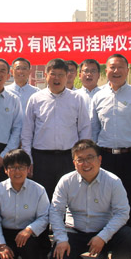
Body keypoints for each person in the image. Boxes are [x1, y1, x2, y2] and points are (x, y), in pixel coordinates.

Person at [50, 140, 131, 259]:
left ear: (99, 159)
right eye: (80, 159)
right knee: (58, 257)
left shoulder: (113, 181)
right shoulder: (66, 181)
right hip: (75, 231)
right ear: (74, 163)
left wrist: (103, 237)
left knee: (127, 236)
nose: (86, 163)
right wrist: (61, 239)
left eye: (90, 157)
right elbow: (56, 211)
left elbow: (122, 213)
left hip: (104, 232)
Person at [91, 53, 131, 215]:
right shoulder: (98, 96)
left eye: (120, 67)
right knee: (104, 199)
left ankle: (130, 231)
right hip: (105, 157)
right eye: (112, 67)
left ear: (127, 70)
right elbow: (94, 130)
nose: (116, 71)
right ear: (106, 70)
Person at [21, 58, 91, 200]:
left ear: (67, 76)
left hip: (68, 157)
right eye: (53, 74)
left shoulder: (77, 99)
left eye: (61, 75)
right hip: (41, 158)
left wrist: (83, 157)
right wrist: (28, 159)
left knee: (69, 197)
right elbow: (27, 132)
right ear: (46, 75)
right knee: (42, 198)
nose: (56, 78)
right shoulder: (35, 99)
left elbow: (84, 129)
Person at [0, 149, 51, 259]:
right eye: (12, 167)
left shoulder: (39, 190)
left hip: (29, 234)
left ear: (28, 169)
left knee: (30, 246)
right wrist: (1, 245)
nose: (17, 171)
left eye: (21, 167)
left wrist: (29, 230)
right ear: (6, 170)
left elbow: (44, 216)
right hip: (7, 234)